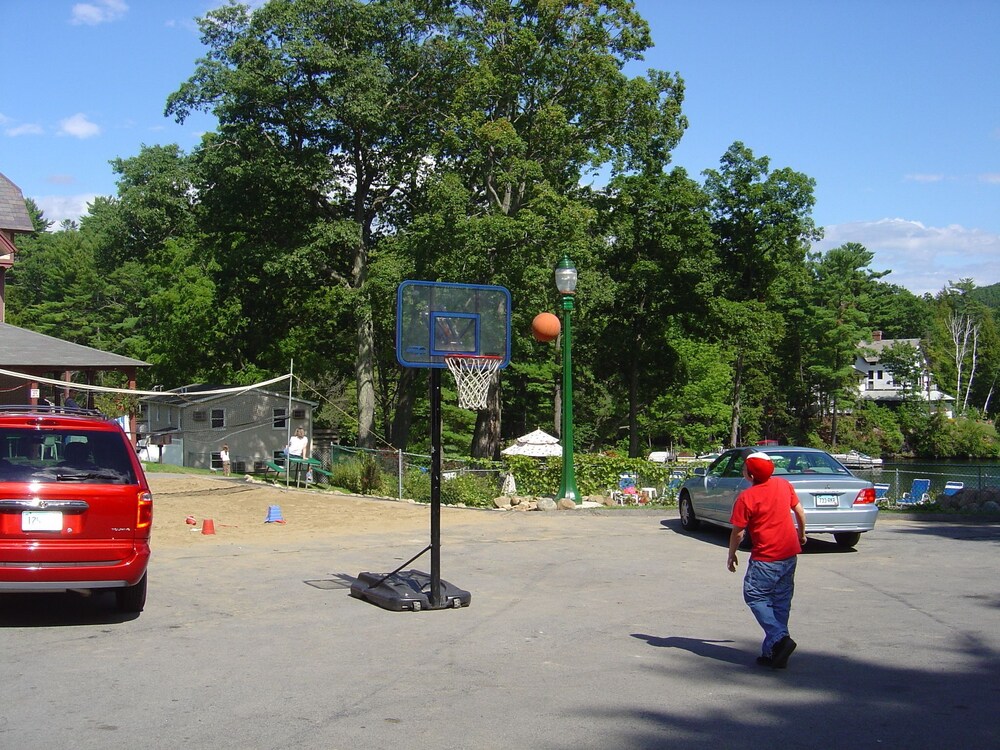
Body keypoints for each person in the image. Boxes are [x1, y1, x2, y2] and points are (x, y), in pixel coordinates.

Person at [726, 451, 807, 669]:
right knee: (780, 601)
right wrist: (801, 533)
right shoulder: (783, 485)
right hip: (789, 554)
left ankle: (780, 637)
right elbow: (799, 511)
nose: (743, 470)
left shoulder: (747, 497)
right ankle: (773, 653)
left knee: (754, 594)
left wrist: (732, 553)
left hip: (766, 557)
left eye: (744, 467)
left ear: (750, 475)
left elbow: (738, 532)